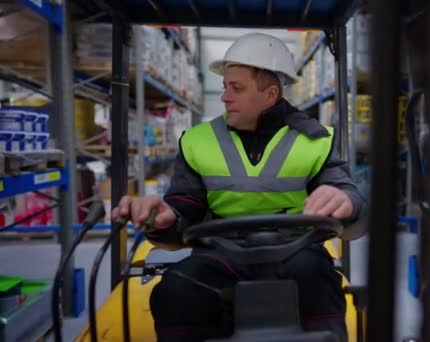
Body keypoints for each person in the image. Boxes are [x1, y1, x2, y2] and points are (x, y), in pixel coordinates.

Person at [112, 32, 366, 341]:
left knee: (318, 280)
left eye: (237, 88)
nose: (224, 97)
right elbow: (182, 211)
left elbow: (348, 195)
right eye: (224, 87)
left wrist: (345, 200)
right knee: (177, 290)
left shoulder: (315, 139)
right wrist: (164, 219)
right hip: (220, 252)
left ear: (270, 95)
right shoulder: (198, 142)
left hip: (296, 250)